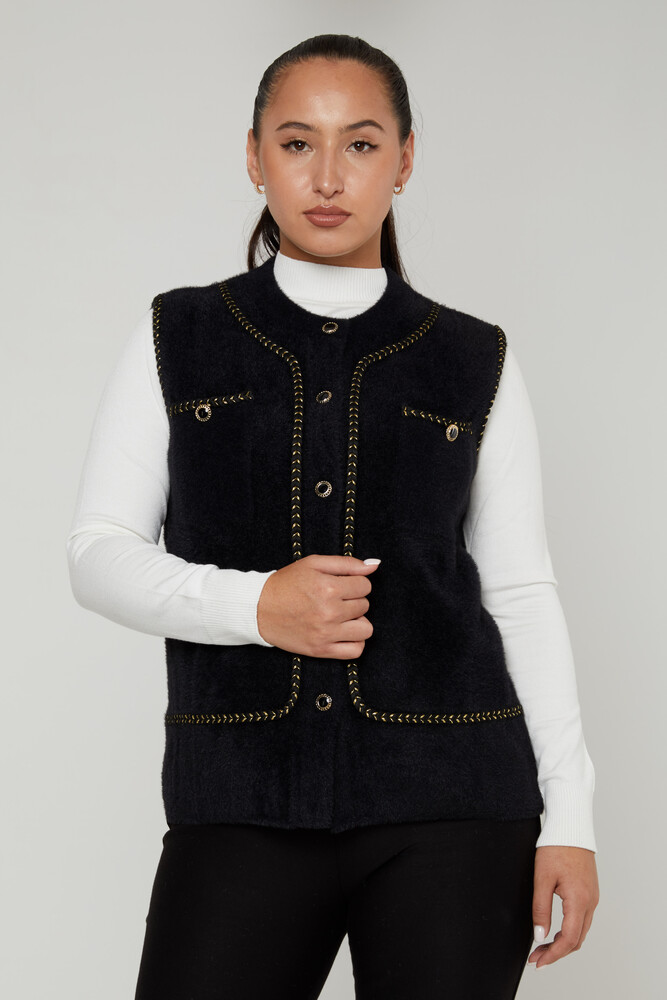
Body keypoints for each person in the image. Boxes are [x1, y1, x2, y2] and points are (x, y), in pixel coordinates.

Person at [66, 33, 599, 1000]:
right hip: (239, 796)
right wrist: (256, 606)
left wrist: (570, 819)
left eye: (359, 144)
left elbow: (520, 590)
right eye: (295, 143)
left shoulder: (473, 356)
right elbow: (96, 554)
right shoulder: (178, 334)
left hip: (455, 804)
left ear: (403, 159)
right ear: (253, 156)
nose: (325, 176)